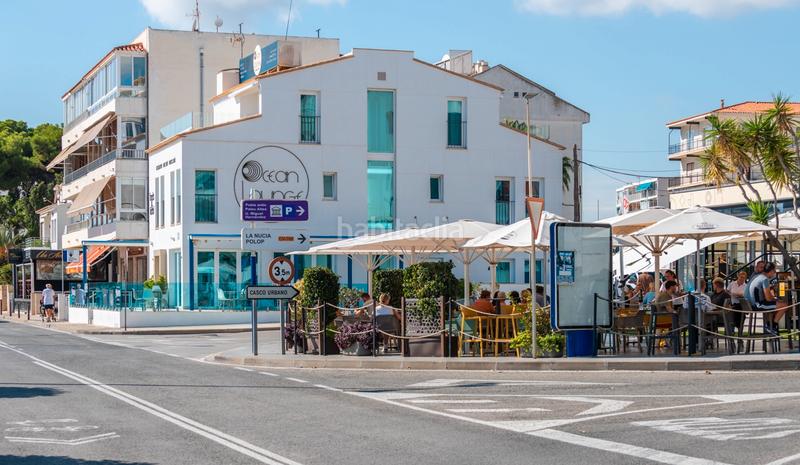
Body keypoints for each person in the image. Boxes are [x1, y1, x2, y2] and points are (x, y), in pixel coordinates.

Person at [747, 262, 780, 335]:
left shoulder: (757, 277)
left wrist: (774, 300)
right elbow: (768, 298)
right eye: (774, 271)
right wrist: (776, 300)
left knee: (777, 306)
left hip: (751, 304)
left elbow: (767, 295)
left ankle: (770, 324)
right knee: (784, 305)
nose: (774, 273)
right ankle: (771, 326)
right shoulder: (765, 279)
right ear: (771, 271)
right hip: (758, 305)